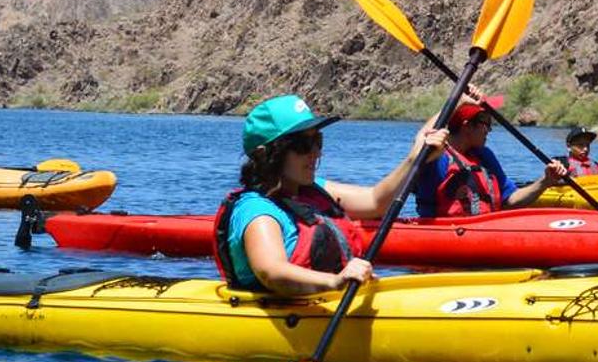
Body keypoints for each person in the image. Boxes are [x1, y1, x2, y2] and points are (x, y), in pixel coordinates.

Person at [213, 94, 448, 296]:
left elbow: (376, 202)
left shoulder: (313, 189)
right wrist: (335, 281)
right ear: (266, 155)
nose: (315, 153)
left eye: (317, 141)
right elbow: (272, 272)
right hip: (290, 311)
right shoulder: (257, 211)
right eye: (303, 145)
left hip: (328, 301)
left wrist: (415, 158)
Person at [413, 94, 567, 218]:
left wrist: (545, 182)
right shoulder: (436, 156)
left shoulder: (484, 156)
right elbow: (420, 144)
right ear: (467, 126)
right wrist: (458, 102)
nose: (490, 130)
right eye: (486, 123)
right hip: (446, 233)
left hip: (484, 232)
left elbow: (510, 200)